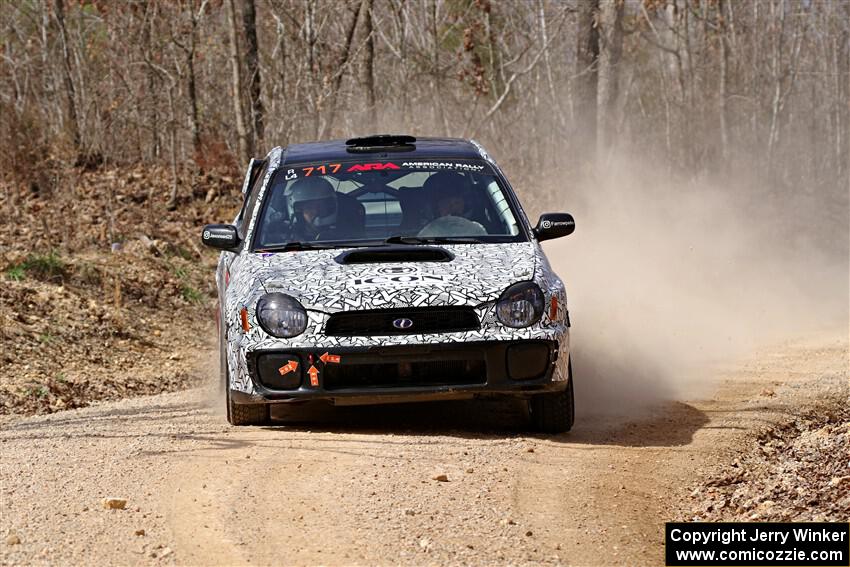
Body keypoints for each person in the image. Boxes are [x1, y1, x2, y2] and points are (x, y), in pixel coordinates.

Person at [417, 171, 487, 237]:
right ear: (436, 208)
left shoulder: (476, 230)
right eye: (446, 204)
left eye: (457, 203)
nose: (452, 207)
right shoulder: (427, 233)